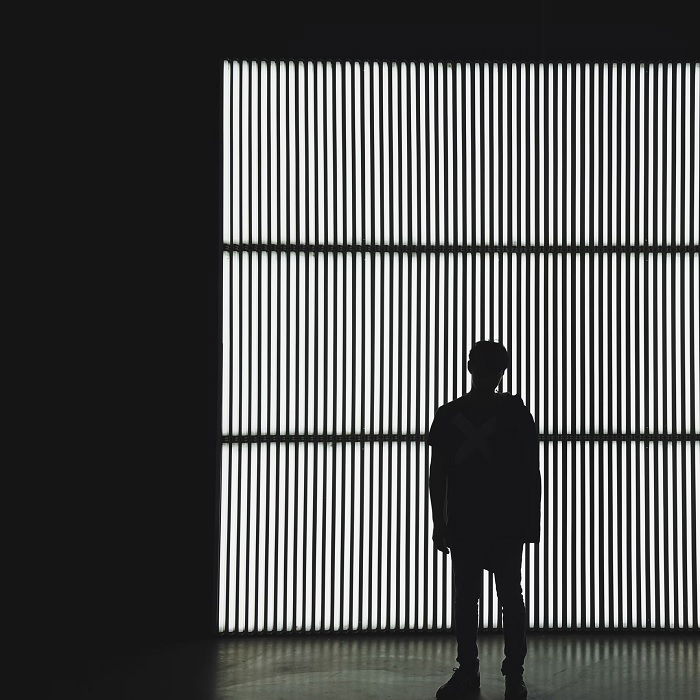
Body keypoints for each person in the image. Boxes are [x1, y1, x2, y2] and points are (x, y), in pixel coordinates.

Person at [427, 340, 541, 699]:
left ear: (468, 365)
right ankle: (511, 674)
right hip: (500, 522)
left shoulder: (449, 415)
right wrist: (529, 522)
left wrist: (440, 521)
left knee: (469, 598)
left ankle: (470, 670)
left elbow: (438, 474)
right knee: (508, 596)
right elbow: (529, 473)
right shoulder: (513, 414)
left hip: (470, 521)